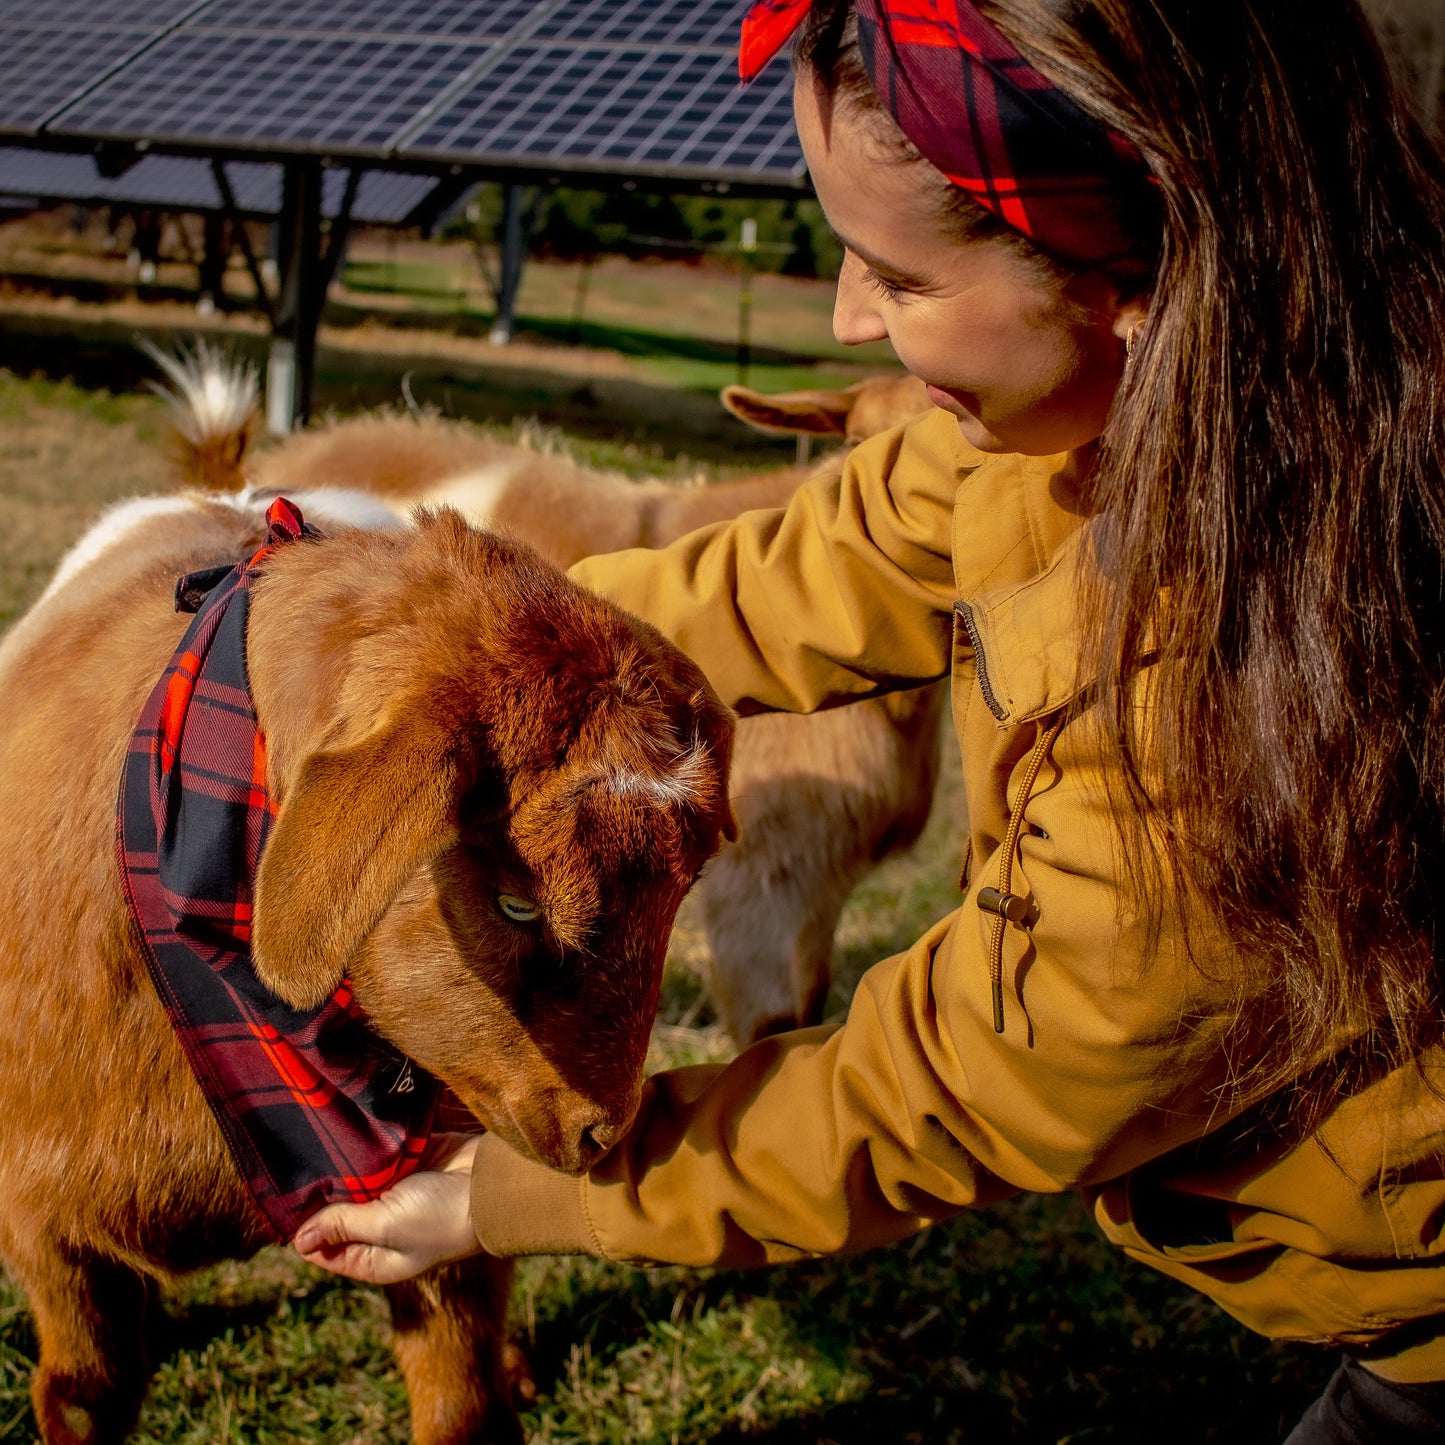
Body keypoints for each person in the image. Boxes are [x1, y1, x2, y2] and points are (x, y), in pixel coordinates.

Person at [294, 2, 1445, 1437]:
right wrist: (490, 667)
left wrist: (520, 1191)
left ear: (1142, 271)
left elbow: (955, 1081)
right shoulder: (1078, 431)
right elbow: (806, 563)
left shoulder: (1234, 719)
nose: (845, 317)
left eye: (896, 276)